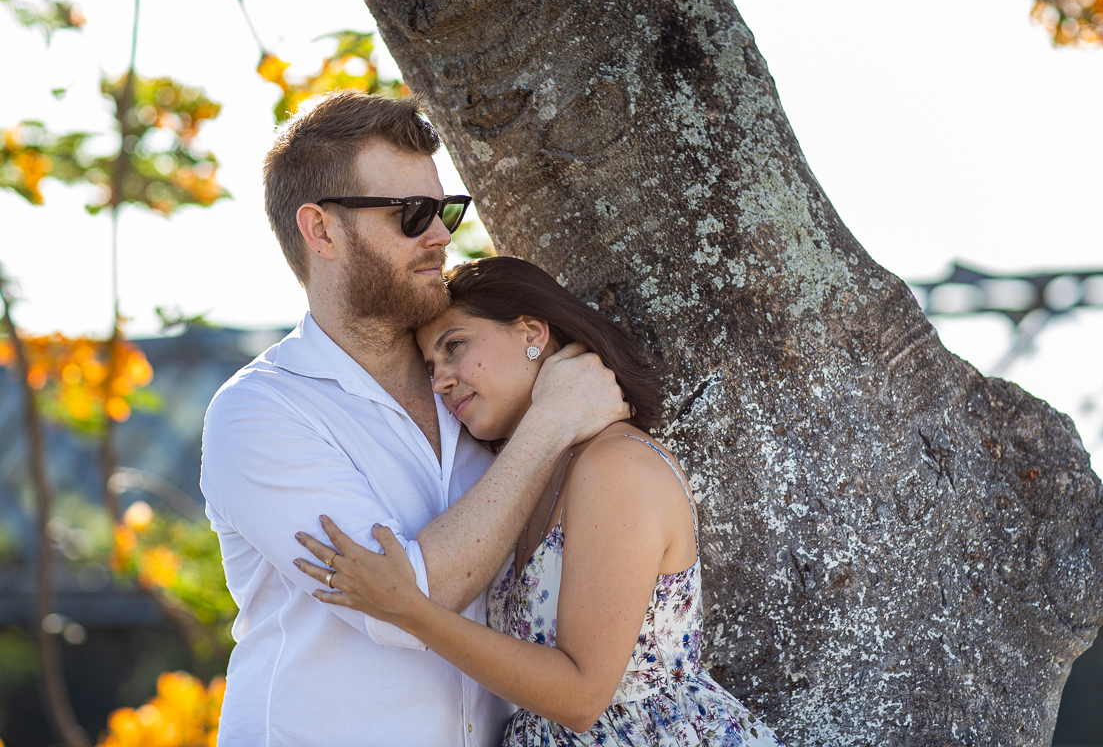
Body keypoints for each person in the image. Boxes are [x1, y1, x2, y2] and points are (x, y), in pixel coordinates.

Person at [200, 91, 628, 747]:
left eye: (445, 210)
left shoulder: (478, 381)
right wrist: (549, 424)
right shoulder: (258, 413)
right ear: (321, 231)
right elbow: (404, 605)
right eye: (411, 214)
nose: (440, 235)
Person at [295, 257, 785, 746]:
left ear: (531, 332)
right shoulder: (536, 475)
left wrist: (410, 610)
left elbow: (580, 696)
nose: (440, 380)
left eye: (455, 346)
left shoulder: (615, 465)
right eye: (431, 367)